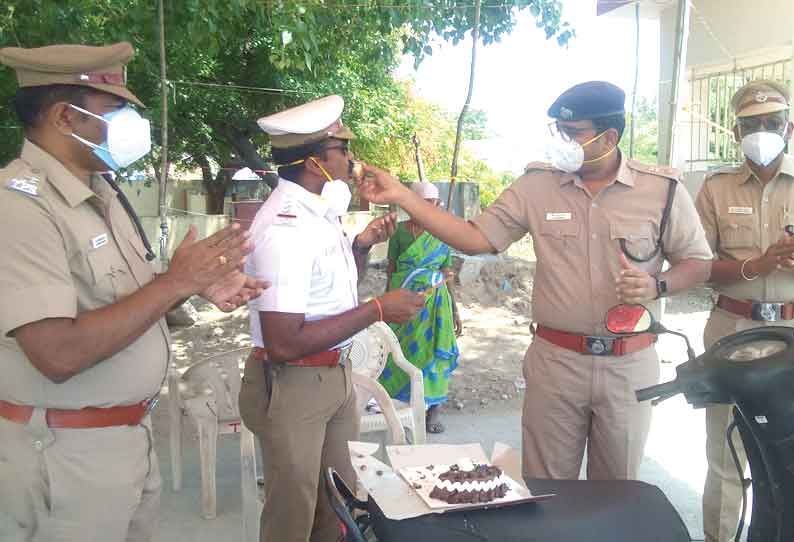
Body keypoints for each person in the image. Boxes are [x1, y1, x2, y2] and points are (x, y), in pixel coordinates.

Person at [358, 81, 713, 482]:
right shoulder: (536, 186)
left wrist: (657, 286)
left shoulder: (661, 191)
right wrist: (406, 198)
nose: (562, 141)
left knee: (618, 493)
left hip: (629, 364)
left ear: (609, 137)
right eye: (558, 131)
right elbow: (475, 238)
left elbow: (698, 263)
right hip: (556, 362)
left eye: (573, 132)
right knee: (547, 488)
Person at [0, 42, 265, 542]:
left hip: (125, 442)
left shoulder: (102, 193)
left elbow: (125, 307)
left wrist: (192, 285)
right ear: (64, 117)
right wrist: (176, 281)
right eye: (114, 109)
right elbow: (56, 353)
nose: (128, 123)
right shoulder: (19, 208)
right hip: (63, 458)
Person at [238, 95, 426, 542]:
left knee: (337, 506)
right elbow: (284, 341)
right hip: (295, 382)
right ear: (314, 162)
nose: (351, 158)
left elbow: (330, 298)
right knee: (293, 513)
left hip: (334, 375)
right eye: (342, 148)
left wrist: (359, 248)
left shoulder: (318, 213)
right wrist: (378, 310)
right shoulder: (284, 228)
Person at [694, 80, 794, 542]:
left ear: (789, 128)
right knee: (727, 451)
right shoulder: (714, 189)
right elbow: (695, 266)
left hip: (792, 330)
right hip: (732, 329)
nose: (763, 132)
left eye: (772, 123)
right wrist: (757, 264)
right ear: (736, 134)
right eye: (751, 125)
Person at [381, 181, 460, 434]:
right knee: (401, 352)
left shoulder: (443, 234)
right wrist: (386, 304)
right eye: (424, 204)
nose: (430, 209)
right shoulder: (399, 233)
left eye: (433, 204)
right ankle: (401, 408)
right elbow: (391, 270)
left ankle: (433, 409)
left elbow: (447, 275)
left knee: (435, 352)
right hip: (404, 301)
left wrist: (456, 310)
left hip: (435, 306)